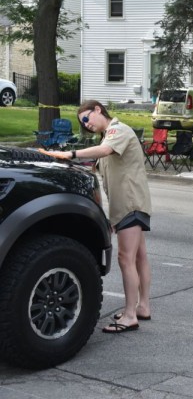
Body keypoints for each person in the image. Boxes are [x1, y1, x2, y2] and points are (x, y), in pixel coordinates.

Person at [40, 100, 152, 332]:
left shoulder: (117, 130)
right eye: (83, 123)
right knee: (139, 257)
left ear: (98, 110)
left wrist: (69, 153)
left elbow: (105, 150)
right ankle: (142, 307)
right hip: (128, 204)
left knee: (125, 258)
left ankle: (130, 315)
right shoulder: (108, 136)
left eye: (87, 119)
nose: (86, 125)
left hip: (130, 203)